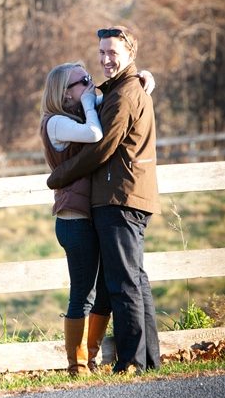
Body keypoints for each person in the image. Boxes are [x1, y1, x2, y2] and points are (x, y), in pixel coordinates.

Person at [46, 26, 161, 374]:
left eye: (113, 52)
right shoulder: (122, 90)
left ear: (130, 53)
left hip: (120, 196)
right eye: (102, 52)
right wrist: (144, 80)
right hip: (121, 196)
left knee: (124, 283)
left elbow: (102, 145)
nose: (105, 59)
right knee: (134, 279)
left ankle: (131, 361)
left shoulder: (125, 93)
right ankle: (148, 359)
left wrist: (58, 177)